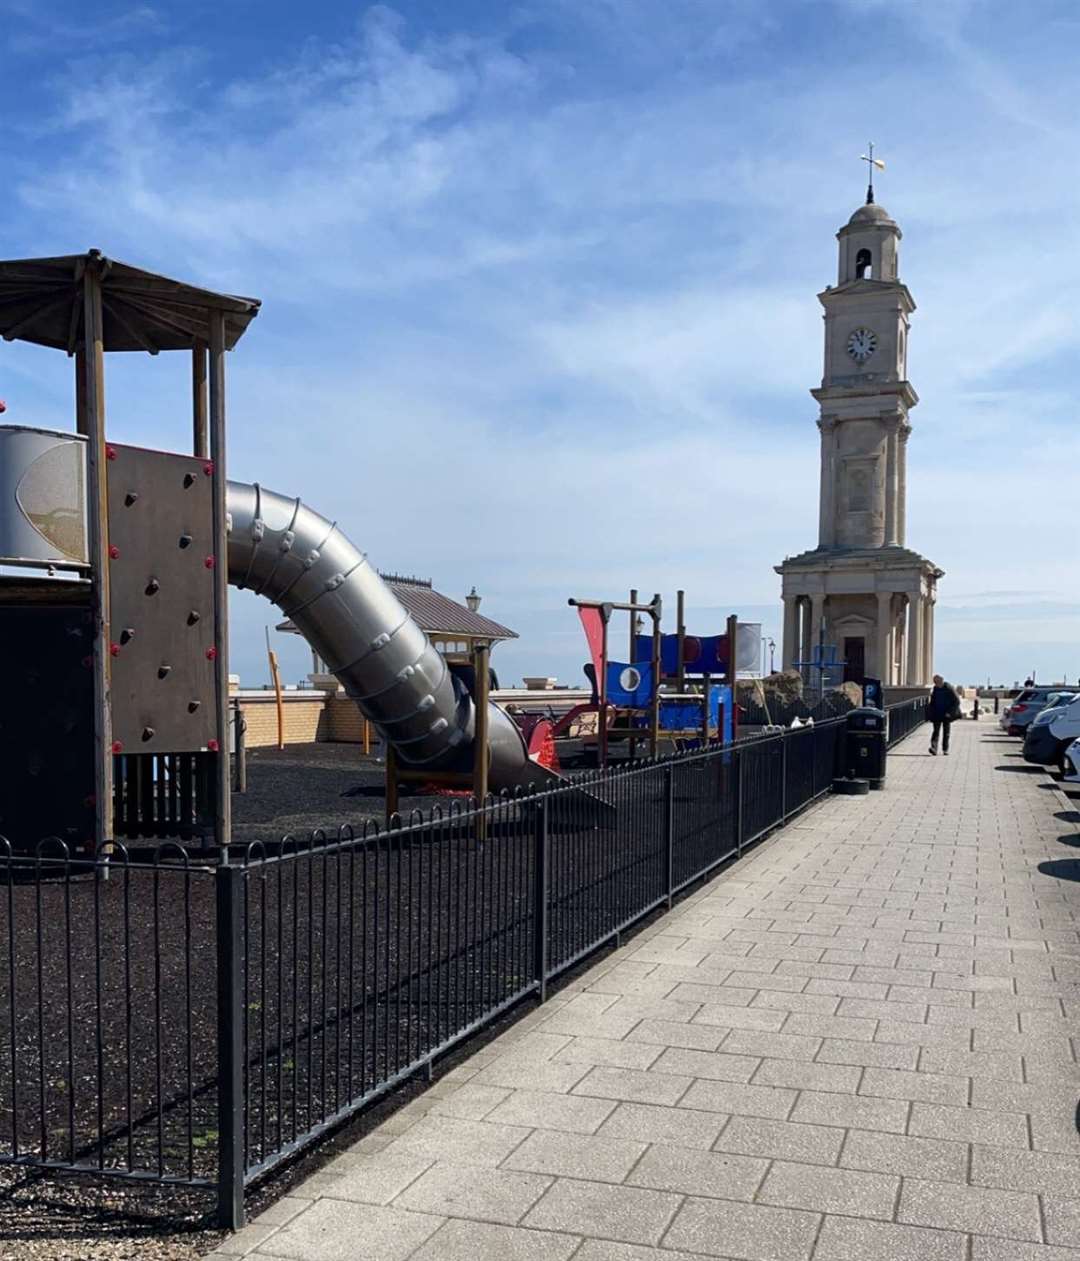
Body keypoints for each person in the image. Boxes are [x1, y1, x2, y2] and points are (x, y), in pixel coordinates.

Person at [928, 674, 960, 755]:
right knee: (936, 731)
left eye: (937, 682)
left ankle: (945, 749)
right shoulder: (935, 689)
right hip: (937, 713)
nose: (936, 684)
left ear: (941, 681)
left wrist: (950, 712)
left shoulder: (949, 688)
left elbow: (957, 701)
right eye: (935, 683)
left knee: (946, 733)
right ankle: (934, 748)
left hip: (946, 714)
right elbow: (933, 701)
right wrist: (931, 711)